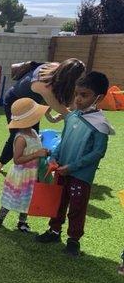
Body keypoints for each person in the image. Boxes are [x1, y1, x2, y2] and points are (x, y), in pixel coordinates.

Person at [36, 72, 114, 256]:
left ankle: (73, 241)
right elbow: (63, 141)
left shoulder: (101, 124)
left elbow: (98, 152)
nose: (78, 99)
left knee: (77, 207)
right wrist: (54, 157)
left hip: (81, 175)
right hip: (62, 170)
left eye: (84, 95)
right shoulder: (72, 117)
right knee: (59, 202)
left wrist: (73, 167)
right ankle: (54, 231)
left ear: (99, 98)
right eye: (76, 94)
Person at [0, 58, 86, 175]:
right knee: (17, 135)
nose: (80, 81)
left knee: (34, 135)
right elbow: (62, 109)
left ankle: (36, 165)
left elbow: (61, 102)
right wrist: (79, 116)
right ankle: (1, 163)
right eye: (79, 78)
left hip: (33, 104)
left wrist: (79, 109)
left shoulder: (55, 69)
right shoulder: (43, 85)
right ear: (70, 77)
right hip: (15, 103)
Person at [0, 98, 49, 231]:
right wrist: (36, 154)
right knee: (12, 196)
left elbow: (36, 149)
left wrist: (44, 152)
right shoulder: (21, 137)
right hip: (21, 174)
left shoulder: (34, 132)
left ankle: (22, 221)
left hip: (33, 173)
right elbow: (17, 159)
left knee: (29, 198)